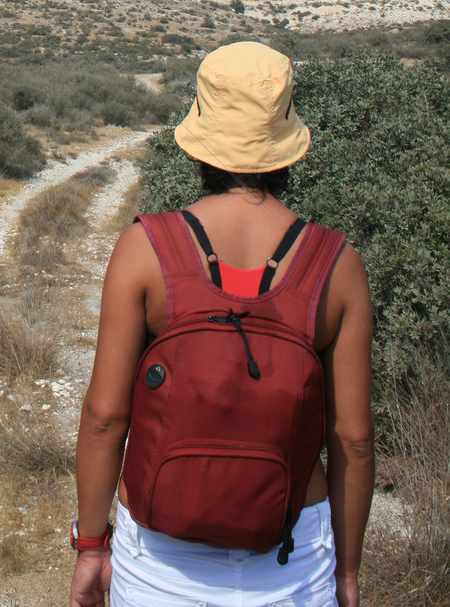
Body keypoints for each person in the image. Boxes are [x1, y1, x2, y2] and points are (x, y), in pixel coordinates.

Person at [69, 42, 374, 607]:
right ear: (286, 144)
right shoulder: (337, 265)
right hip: (292, 562)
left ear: (200, 139)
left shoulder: (146, 249)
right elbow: (352, 441)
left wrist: (91, 546)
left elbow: (106, 418)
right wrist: (348, 573)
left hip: (161, 566)